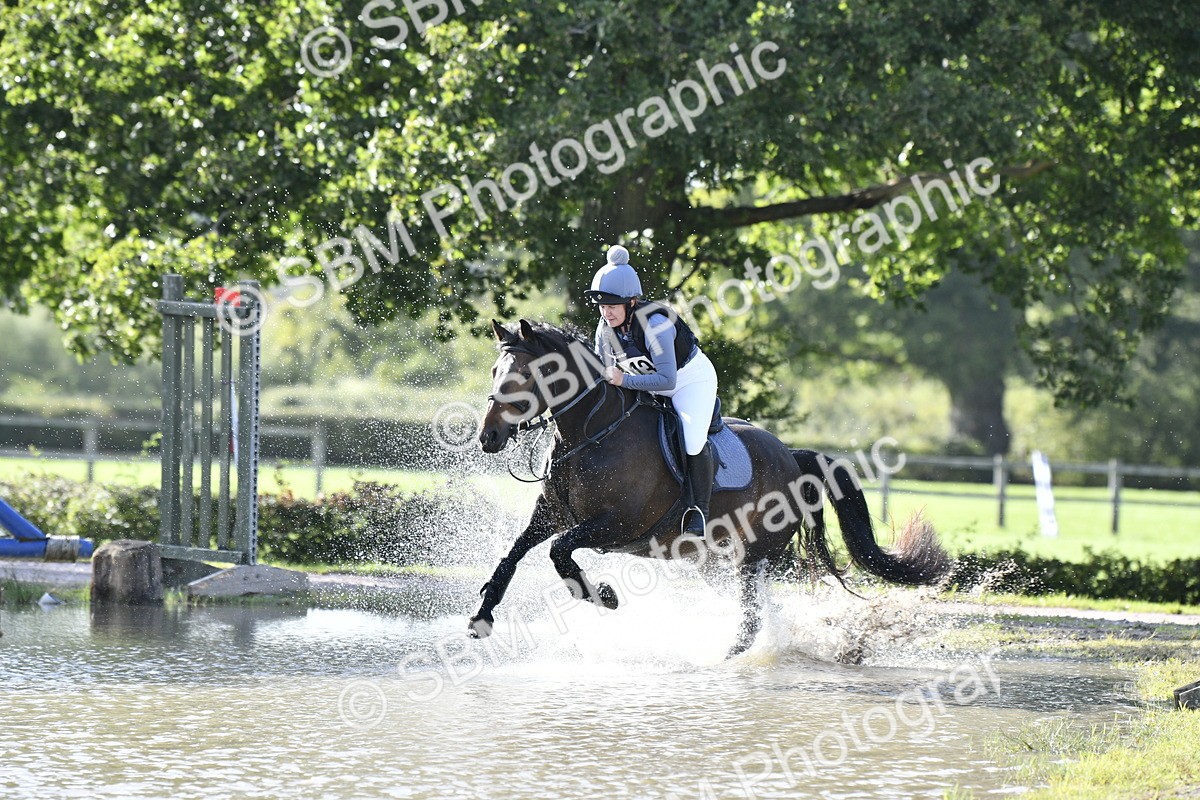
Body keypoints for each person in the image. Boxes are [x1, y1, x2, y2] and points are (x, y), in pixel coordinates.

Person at [584, 245, 719, 536]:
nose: (606, 312)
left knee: (692, 440)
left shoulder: (655, 325)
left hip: (688, 383)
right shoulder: (605, 328)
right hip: (646, 384)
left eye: (612, 305)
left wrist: (623, 381)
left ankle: (699, 512)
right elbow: (604, 373)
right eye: (602, 306)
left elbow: (667, 380)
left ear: (632, 302)